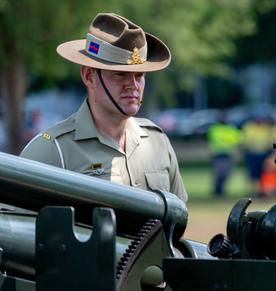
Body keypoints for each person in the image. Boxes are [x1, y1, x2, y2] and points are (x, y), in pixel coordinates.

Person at [20, 13, 187, 202]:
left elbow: (177, 222)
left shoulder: (157, 142)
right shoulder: (52, 150)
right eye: (120, 74)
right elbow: (15, 227)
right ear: (89, 76)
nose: (133, 85)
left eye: (139, 75)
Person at [207, 115, 241, 196]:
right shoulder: (215, 128)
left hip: (228, 154)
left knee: (227, 173)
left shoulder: (231, 128)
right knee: (219, 173)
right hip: (219, 154)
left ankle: (220, 190)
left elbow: (238, 138)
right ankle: (217, 190)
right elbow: (233, 139)